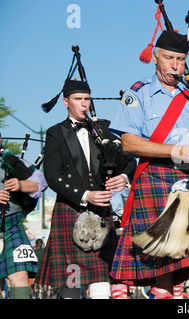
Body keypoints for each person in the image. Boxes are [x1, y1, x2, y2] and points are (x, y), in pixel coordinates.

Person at [108, 30, 189, 299]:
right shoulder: (139, 94)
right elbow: (129, 143)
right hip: (156, 179)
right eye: (169, 58)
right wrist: (175, 150)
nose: (175, 65)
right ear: (155, 58)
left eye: (180, 59)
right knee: (164, 269)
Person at [35, 79, 137, 299]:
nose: (84, 104)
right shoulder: (56, 133)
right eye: (78, 99)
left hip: (101, 215)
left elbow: (129, 160)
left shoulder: (104, 129)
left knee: (102, 279)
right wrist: (85, 195)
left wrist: (123, 177)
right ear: (66, 102)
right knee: (72, 282)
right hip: (71, 211)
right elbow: (52, 176)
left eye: (87, 99)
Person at [0, 154, 47, 299]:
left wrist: (21, 185)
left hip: (12, 226)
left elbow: (41, 182)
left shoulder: (10, 162)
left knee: (20, 276)